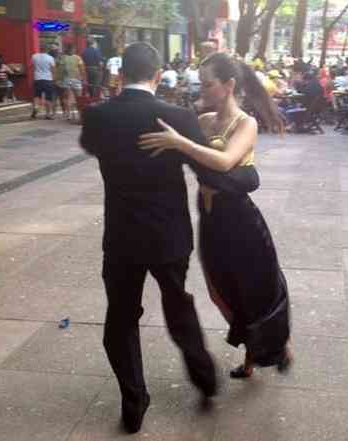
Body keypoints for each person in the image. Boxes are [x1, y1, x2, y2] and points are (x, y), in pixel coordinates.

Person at [79, 42, 259, 434]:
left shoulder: (97, 117)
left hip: (122, 235)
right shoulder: (175, 116)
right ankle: (204, 377)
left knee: (121, 315)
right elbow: (210, 173)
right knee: (178, 303)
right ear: (158, 75)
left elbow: (92, 146)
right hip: (168, 235)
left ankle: (133, 400)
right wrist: (249, 178)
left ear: (120, 73)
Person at [137, 51, 292, 380]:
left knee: (255, 288)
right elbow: (170, 127)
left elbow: (224, 162)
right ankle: (258, 346)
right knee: (222, 289)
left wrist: (181, 143)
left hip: (241, 222)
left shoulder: (245, 123)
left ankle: (271, 347)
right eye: (200, 84)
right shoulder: (204, 120)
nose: (202, 91)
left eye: (208, 85)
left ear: (229, 85)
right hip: (211, 220)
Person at [60, 43, 85, 118]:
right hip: (76, 79)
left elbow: (61, 70)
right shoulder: (78, 58)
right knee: (79, 98)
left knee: (66, 97)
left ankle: (68, 114)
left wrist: (60, 79)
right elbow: (82, 69)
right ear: (73, 49)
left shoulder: (63, 58)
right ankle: (80, 114)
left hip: (67, 79)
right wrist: (83, 78)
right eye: (74, 49)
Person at [31, 45, 56, 119]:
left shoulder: (34, 56)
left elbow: (32, 66)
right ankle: (47, 114)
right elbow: (53, 70)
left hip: (37, 79)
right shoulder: (50, 58)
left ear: (40, 49)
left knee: (37, 96)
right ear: (47, 50)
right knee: (48, 98)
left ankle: (35, 108)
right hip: (48, 79)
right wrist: (54, 79)